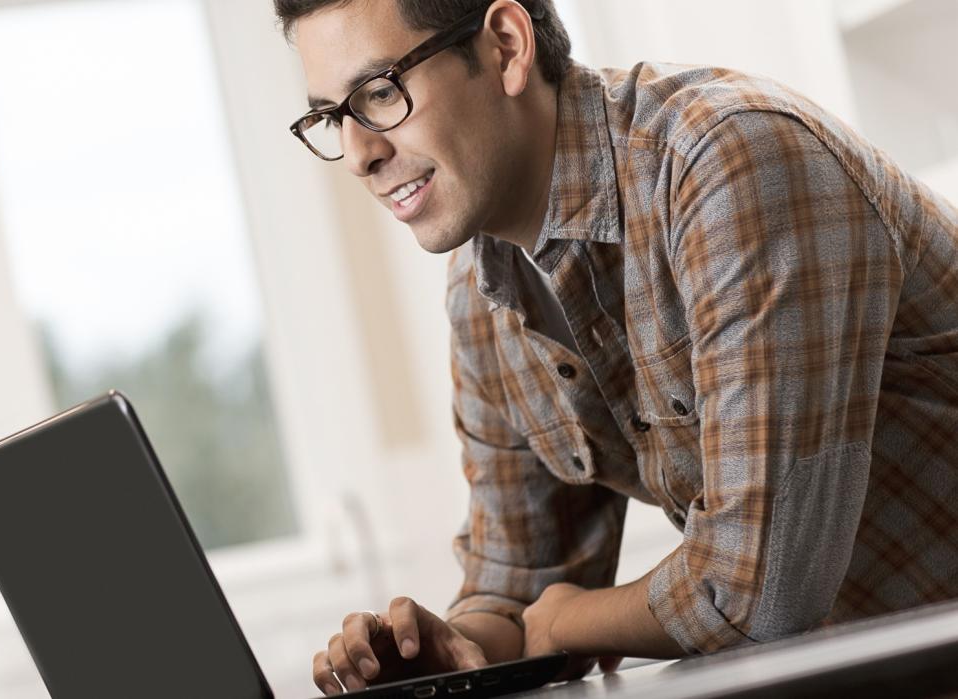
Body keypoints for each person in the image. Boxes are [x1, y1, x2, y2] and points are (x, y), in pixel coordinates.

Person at [272, 0, 958, 695]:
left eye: (380, 92)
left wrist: (573, 622)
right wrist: (452, 649)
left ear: (507, 48)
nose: (359, 154)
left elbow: (761, 587)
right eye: (332, 117)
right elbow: (521, 588)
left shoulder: (730, 159)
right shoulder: (480, 291)